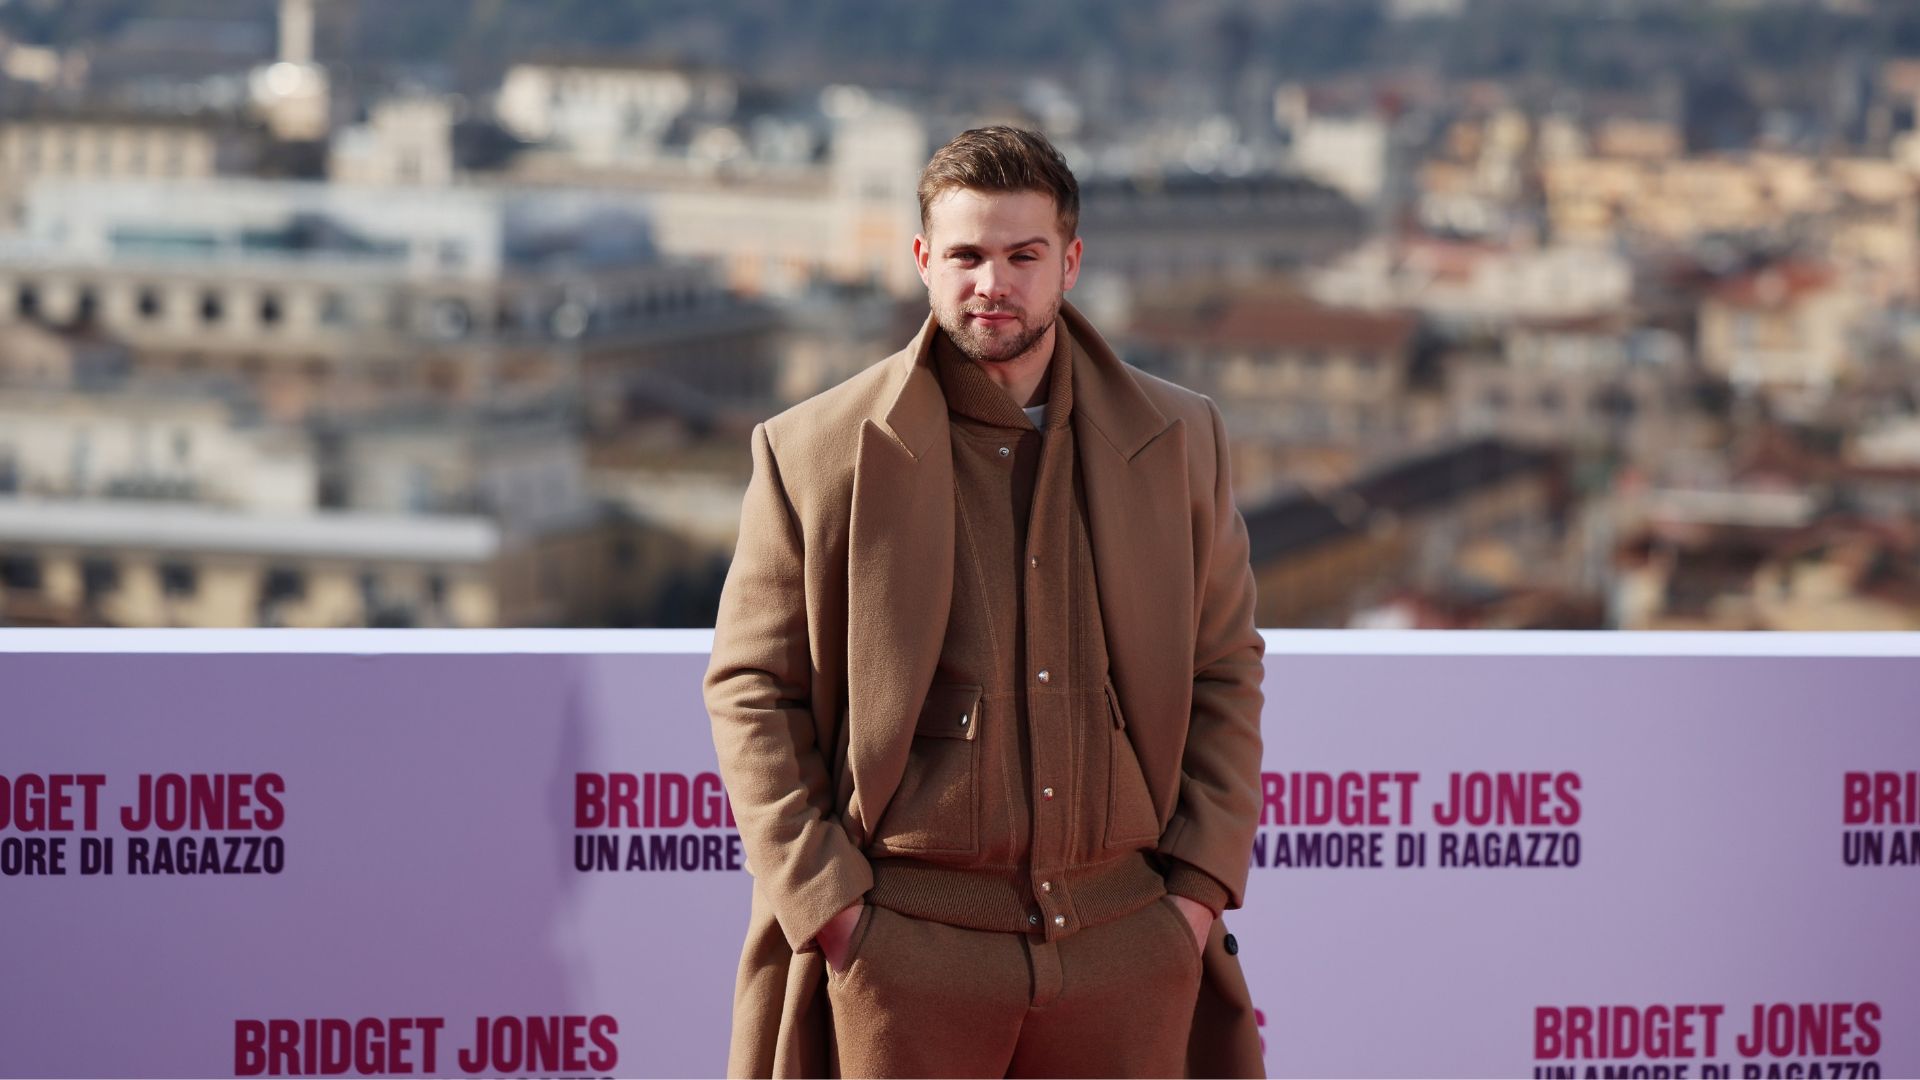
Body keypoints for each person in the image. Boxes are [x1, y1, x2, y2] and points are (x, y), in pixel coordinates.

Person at [705, 125, 1265, 1079]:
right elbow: (752, 688)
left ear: (1070, 263)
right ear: (924, 262)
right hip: (903, 959)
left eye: (1022, 256)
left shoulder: (1183, 438)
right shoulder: (813, 451)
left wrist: (1195, 897)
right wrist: (834, 914)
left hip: (1126, 947)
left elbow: (1224, 668)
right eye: (965, 255)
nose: (991, 283)